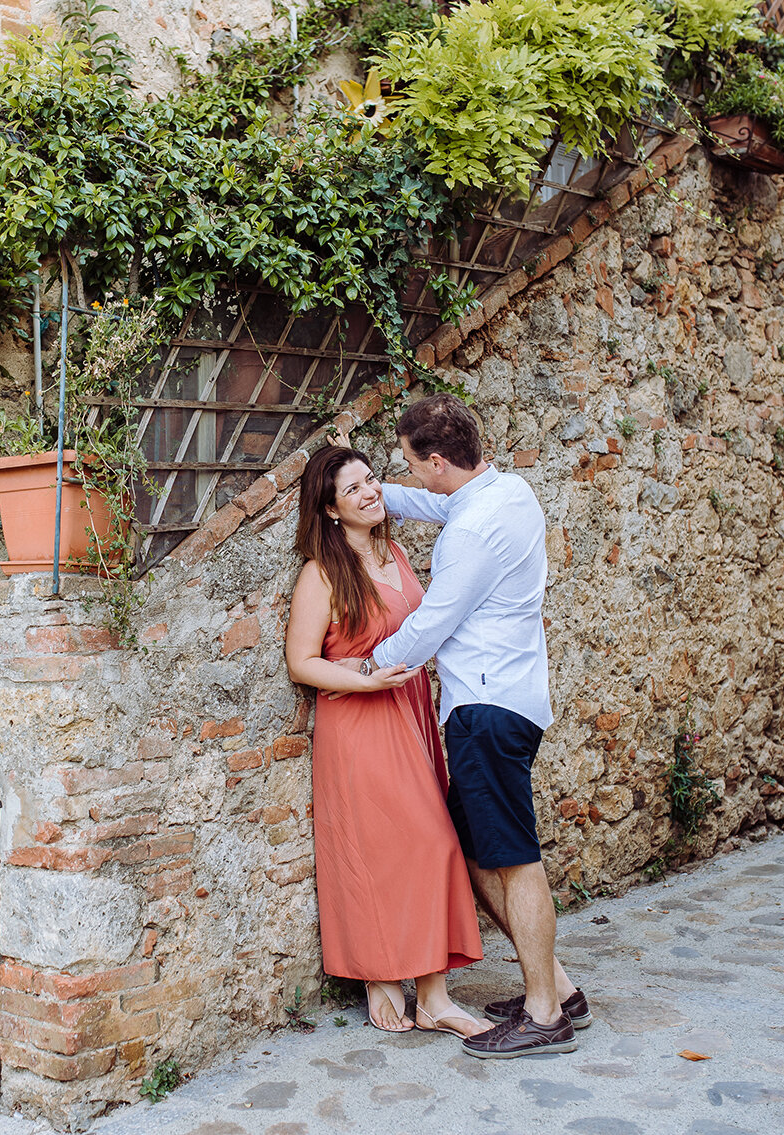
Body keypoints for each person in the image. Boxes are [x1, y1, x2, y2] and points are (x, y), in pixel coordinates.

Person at [348, 392, 590, 1058]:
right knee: (476, 850)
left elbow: (431, 624)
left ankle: (545, 1014)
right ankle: (559, 986)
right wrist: (379, 494)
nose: (405, 474)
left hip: (485, 710)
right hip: (513, 699)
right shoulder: (509, 492)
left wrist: (373, 663)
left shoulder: (469, 534)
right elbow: (440, 500)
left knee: (514, 858)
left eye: (405, 465)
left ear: (434, 461)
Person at [284, 445, 491, 1037]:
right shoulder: (321, 574)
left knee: (429, 844)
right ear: (329, 508)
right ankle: (380, 974)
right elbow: (302, 662)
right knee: (396, 848)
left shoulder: (396, 552)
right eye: (353, 489)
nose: (371, 492)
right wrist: (366, 678)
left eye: (371, 480)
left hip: (411, 710)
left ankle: (431, 995)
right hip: (360, 721)